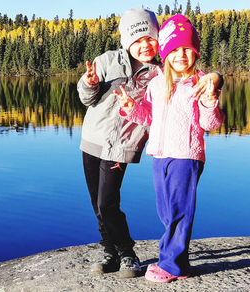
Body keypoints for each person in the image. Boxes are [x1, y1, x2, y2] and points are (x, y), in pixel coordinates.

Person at [77, 8, 222, 278]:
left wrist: (215, 78)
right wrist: (89, 83)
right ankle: (109, 250)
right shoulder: (108, 61)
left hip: (124, 145)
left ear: (159, 42)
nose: (145, 46)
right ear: (126, 41)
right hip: (94, 140)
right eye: (137, 40)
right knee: (98, 203)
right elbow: (87, 98)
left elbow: (199, 80)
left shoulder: (158, 73)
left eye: (150, 39)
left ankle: (127, 253)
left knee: (108, 202)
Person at [115, 14, 225, 283]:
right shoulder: (157, 83)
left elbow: (211, 123)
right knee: (165, 210)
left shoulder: (200, 84)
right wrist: (132, 109)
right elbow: (150, 117)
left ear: (196, 52)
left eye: (187, 48)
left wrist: (211, 100)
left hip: (185, 155)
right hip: (161, 154)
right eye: (174, 49)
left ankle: (173, 266)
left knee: (179, 211)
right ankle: (175, 258)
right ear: (165, 53)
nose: (181, 55)